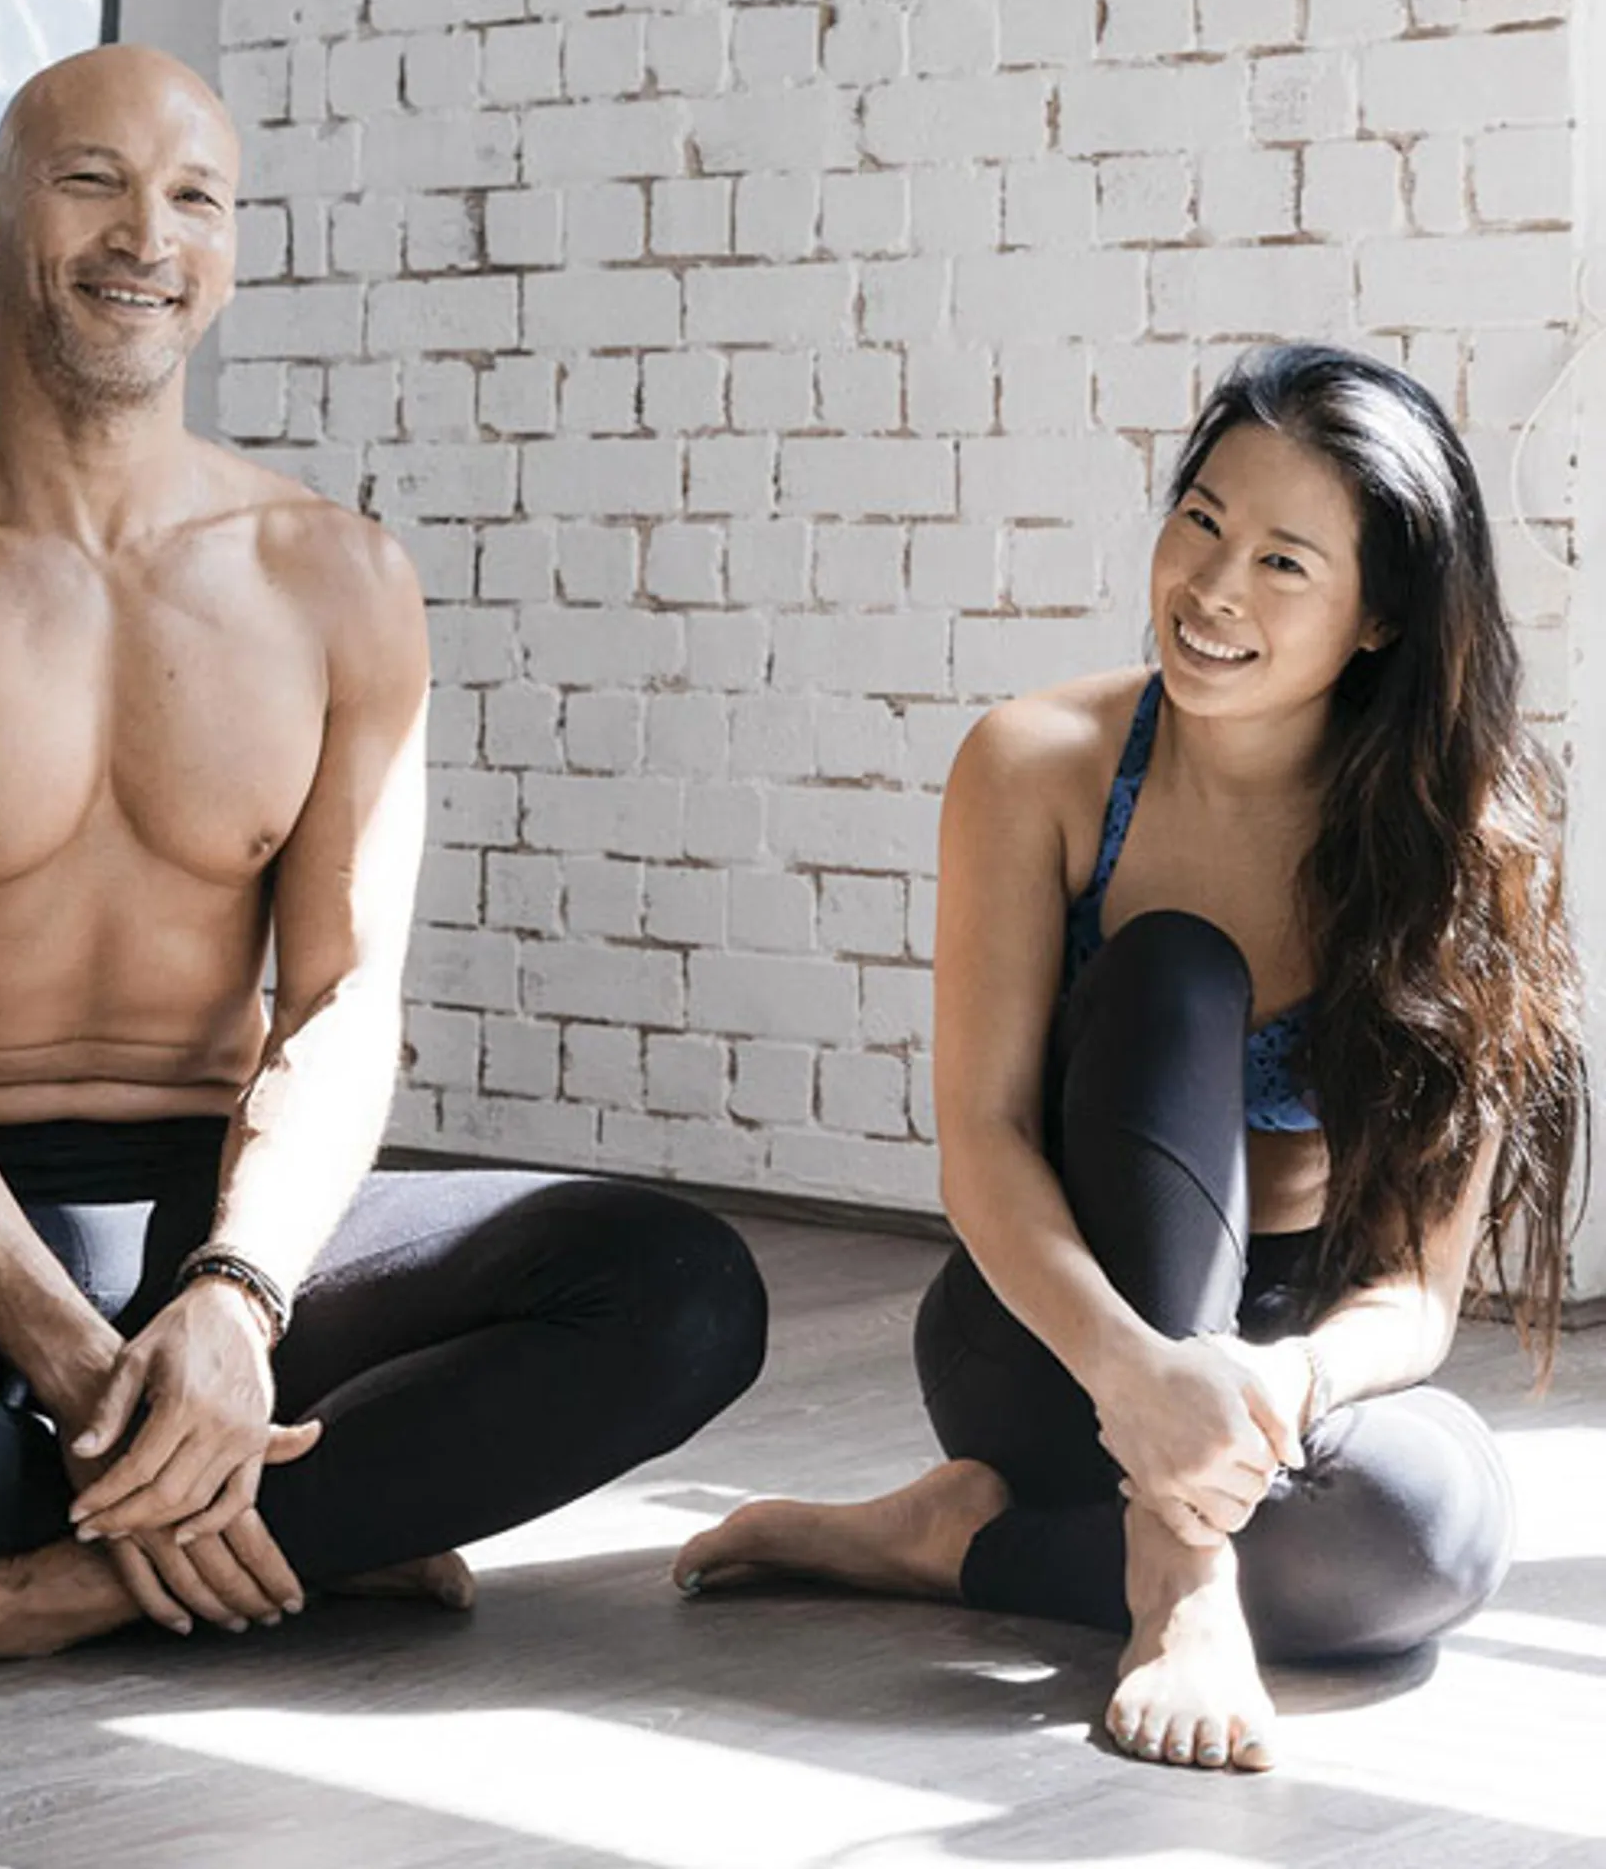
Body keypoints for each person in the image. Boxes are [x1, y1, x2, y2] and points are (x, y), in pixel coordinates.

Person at [0, 44, 766, 1696]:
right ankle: (295, 1525)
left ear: (232, 247)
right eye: (91, 181)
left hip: (229, 1223)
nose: (147, 233)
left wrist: (233, 1301)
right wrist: (80, 1365)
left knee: (681, 1285)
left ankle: (40, 1585)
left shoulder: (339, 578)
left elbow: (344, 1000)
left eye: (194, 196)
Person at [675, 344, 1585, 1772]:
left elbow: (1416, 1288)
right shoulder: (1035, 766)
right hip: (1050, 1331)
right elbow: (980, 1144)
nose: (1214, 588)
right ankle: (1177, 1574)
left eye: (1287, 562)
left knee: (1427, 1540)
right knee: (1173, 973)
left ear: (1377, 618)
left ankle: (957, 1541)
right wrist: (1139, 1374)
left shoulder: (1460, 831)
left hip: (1283, 1349)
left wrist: (1280, 1385)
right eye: (1203, 519)